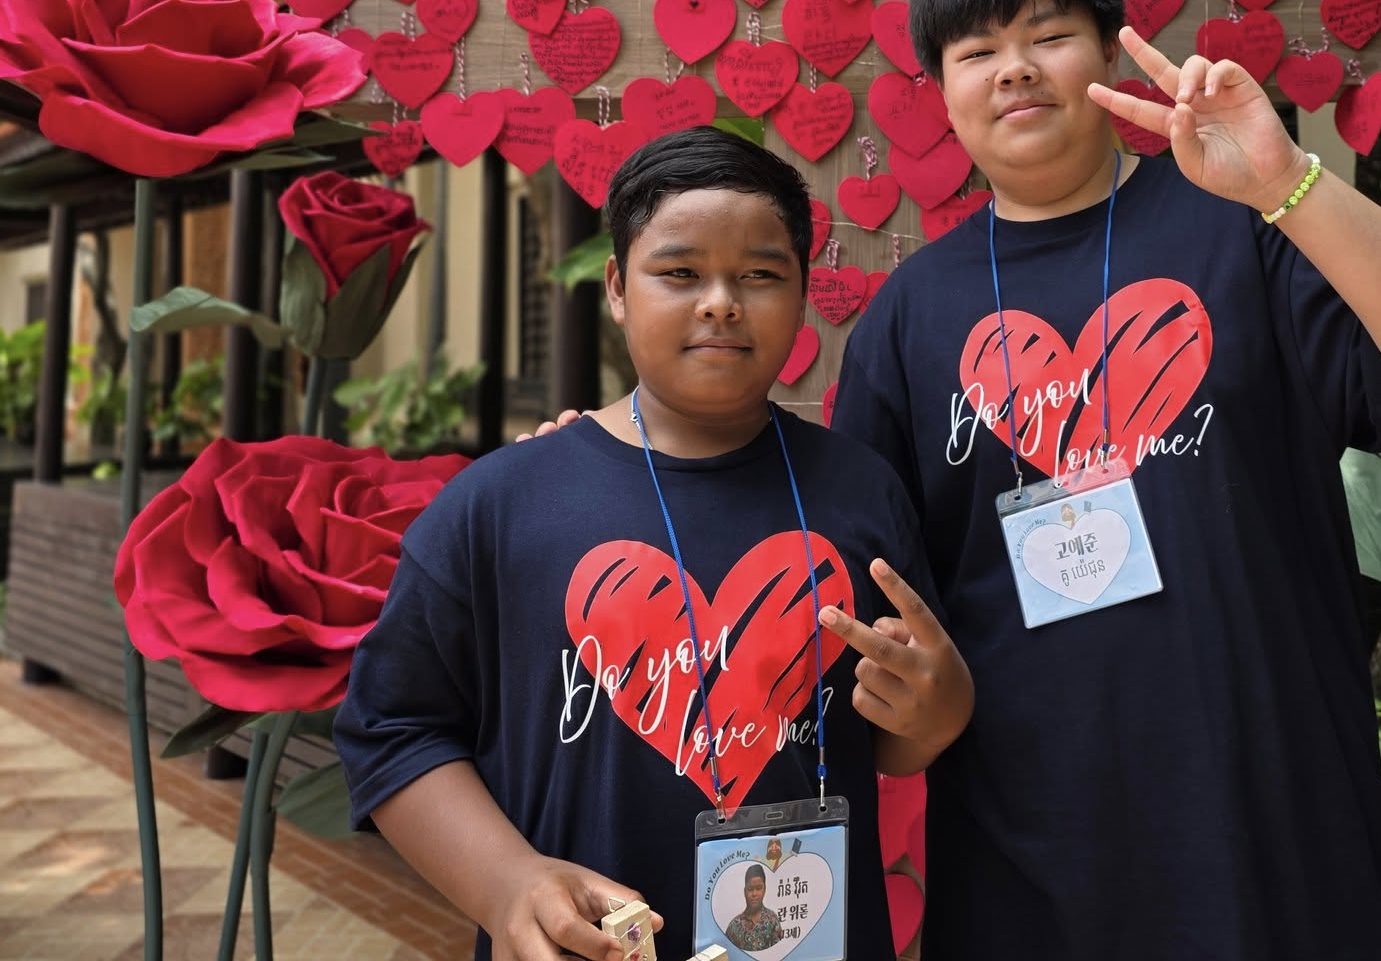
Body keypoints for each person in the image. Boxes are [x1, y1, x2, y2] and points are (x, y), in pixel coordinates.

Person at [826, 0, 1381, 957]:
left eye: (1048, 35)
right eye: (976, 52)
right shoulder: (906, 319)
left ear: (1110, 52)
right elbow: (869, 600)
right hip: (1030, 852)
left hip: (1274, 819)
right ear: (940, 91)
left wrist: (1289, 186)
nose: (1015, 69)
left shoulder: (1247, 230)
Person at [336, 127, 974, 961]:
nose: (721, 302)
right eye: (679, 273)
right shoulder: (500, 506)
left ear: (802, 294)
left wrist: (939, 710)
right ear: (616, 287)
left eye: (761, 275)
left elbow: (891, 733)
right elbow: (392, 730)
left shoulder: (862, 492)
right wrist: (506, 883)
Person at [723, 865, 783, 953]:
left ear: (764, 890)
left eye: (758, 888)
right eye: (750, 889)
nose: (754, 894)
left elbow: (779, 952)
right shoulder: (734, 926)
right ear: (745, 892)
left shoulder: (772, 920)